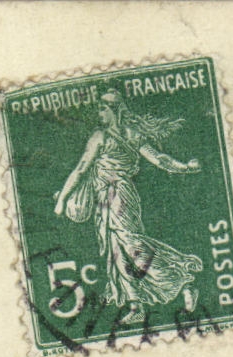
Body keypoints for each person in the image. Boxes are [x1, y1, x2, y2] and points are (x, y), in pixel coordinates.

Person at [52, 90, 204, 324]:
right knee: (116, 252)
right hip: (105, 198)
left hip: (119, 196)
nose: (100, 112)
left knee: (133, 245)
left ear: (114, 110)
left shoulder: (103, 137)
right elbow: (158, 159)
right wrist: (184, 167)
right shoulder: (124, 134)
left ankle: (182, 283)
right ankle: (136, 305)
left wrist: (62, 200)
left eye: (103, 108)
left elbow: (82, 168)